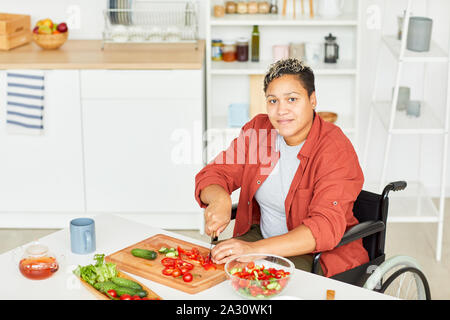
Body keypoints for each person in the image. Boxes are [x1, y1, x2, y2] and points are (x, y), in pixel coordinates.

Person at [194, 58, 369, 277]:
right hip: (261, 238)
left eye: (292, 99)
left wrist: (253, 250)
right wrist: (221, 199)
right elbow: (214, 174)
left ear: (312, 100)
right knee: (211, 274)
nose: (281, 110)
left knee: (250, 284)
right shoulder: (259, 130)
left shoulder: (334, 149)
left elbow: (323, 227)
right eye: (273, 101)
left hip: (316, 255)